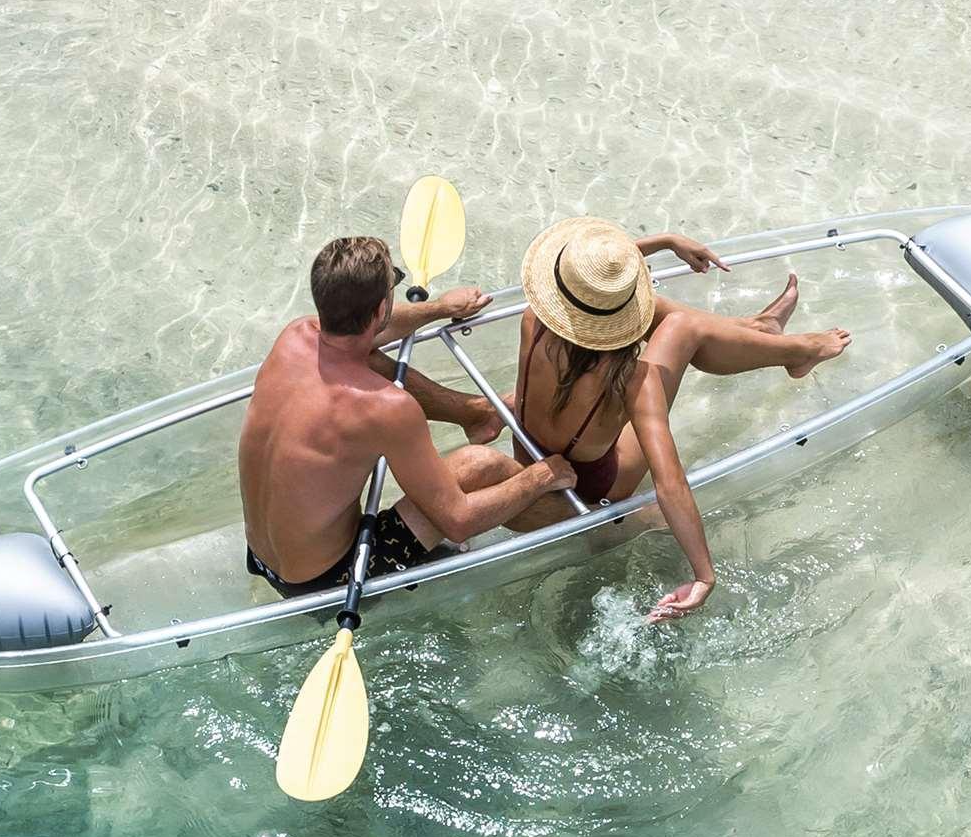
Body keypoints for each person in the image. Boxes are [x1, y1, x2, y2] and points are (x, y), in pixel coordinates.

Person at [507, 219, 848, 622]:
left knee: (647, 313)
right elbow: (669, 481)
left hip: (531, 456)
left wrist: (664, 241)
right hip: (596, 487)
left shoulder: (533, 318)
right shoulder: (631, 380)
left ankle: (759, 331)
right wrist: (704, 574)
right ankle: (793, 350)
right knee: (683, 326)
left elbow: (589, 282)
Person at [238, 234, 571, 600]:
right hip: (332, 580)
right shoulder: (387, 409)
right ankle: (584, 522)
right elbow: (458, 521)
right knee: (481, 465)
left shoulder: (293, 337)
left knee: (367, 359)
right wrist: (542, 476)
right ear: (379, 309)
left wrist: (441, 309)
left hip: (260, 557)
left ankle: (476, 414)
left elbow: (365, 330)